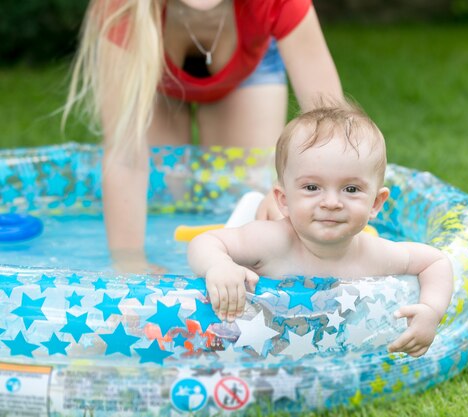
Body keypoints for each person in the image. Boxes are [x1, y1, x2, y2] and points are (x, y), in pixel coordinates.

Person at [63, 0, 343, 273]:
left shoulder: (279, 3)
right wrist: (128, 261)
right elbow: (125, 154)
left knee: (242, 199)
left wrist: (280, 186)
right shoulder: (121, 6)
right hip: (151, 74)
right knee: (167, 197)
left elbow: (332, 128)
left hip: (247, 68)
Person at [187, 104, 453, 357]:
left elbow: (436, 261)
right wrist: (220, 266)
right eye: (312, 188)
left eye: (351, 189)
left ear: (375, 203)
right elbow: (205, 241)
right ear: (283, 200)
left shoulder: (375, 254)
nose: (331, 203)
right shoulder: (272, 242)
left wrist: (431, 310)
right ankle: (254, 208)